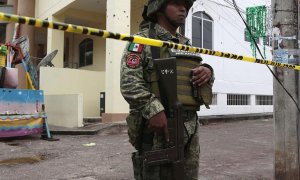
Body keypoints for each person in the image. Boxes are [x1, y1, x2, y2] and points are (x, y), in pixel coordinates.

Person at [120, 0, 214, 179]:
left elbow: (194, 76)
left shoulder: (186, 44)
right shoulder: (142, 41)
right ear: (159, 8)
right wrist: (154, 110)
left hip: (189, 125)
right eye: (177, 3)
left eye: (186, 5)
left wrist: (208, 71)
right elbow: (129, 83)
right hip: (158, 127)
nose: (183, 9)